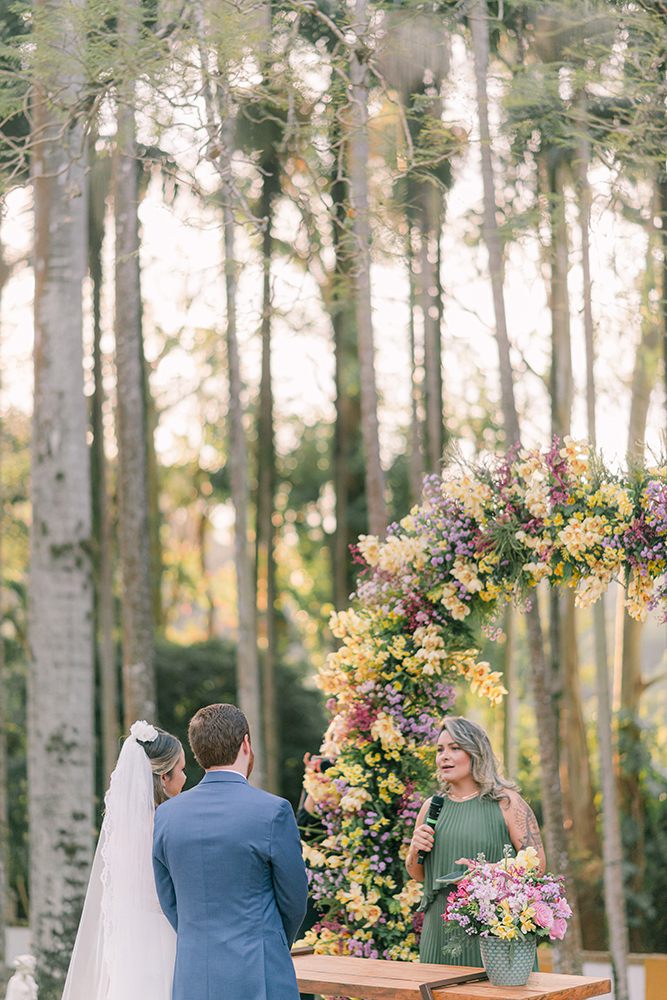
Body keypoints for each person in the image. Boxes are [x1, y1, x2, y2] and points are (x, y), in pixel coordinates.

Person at [153, 703, 309, 1000]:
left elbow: (169, 900)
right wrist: (270, 944)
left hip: (193, 975)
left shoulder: (167, 815)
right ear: (246, 743)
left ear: (196, 752)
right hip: (260, 973)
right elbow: (294, 900)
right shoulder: (273, 811)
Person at [406, 716, 546, 967]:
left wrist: (487, 872)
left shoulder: (507, 803)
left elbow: (537, 867)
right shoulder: (430, 807)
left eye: (454, 748)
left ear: (476, 753)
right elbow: (419, 874)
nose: (444, 756)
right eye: (440, 750)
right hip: (438, 934)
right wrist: (414, 850)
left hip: (495, 936)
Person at [62, 720, 186, 1000]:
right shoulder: (165, 823)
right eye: (181, 769)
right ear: (163, 777)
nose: (185, 777)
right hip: (163, 935)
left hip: (129, 941)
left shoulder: (121, 829)